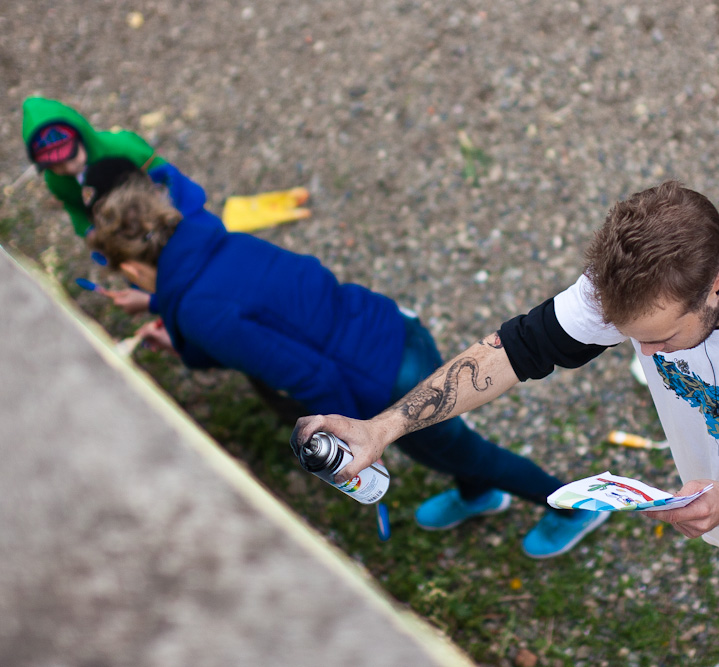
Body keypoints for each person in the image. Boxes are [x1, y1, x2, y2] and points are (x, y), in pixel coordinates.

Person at [294, 181, 719, 666]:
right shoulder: (645, 279)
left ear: (718, 288)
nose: (648, 355)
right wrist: (381, 428)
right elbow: (517, 349)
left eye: (661, 340)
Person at [84, 157, 608, 559]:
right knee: (450, 451)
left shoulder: (198, 311)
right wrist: (161, 303)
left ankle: (572, 506)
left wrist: (357, 439)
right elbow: (246, 306)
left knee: (466, 450)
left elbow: (306, 373)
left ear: (131, 268)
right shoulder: (214, 241)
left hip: (384, 382)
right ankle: (476, 494)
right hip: (392, 330)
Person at [21, 96, 169, 315]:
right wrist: (89, 232)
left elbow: (166, 176)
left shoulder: (123, 146)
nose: (68, 168)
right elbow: (74, 208)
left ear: (81, 134)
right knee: (148, 275)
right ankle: (159, 300)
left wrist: (168, 209)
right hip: (119, 237)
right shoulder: (56, 180)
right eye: (55, 164)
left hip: (156, 217)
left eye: (71, 155)